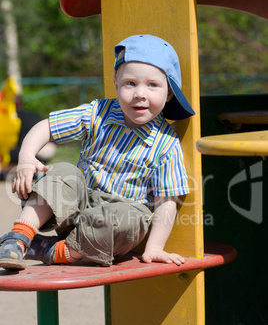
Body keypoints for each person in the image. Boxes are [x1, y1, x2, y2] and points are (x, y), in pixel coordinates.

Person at [0, 34, 195, 270]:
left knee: (132, 217)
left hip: (113, 226)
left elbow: (166, 201)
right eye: (130, 83)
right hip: (75, 210)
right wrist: (26, 157)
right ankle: (19, 237)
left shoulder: (166, 144)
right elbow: (48, 127)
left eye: (153, 85)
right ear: (116, 84)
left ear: (169, 93)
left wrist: (154, 247)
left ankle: (52, 250)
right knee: (63, 170)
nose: (140, 93)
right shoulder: (97, 114)